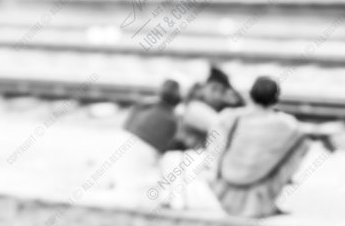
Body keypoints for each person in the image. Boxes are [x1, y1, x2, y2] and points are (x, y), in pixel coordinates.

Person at [206, 76, 310, 217]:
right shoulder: (285, 124)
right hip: (260, 191)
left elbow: (213, 148)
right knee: (299, 145)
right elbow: (303, 141)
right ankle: (269, 199)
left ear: (250, 95)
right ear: (275, 99)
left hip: (224, 189)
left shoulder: (229, 117)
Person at [123, 79, 182, 155]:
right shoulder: (173, 119)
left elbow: (126, 126)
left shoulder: (144, 105)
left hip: (129, 143)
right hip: (147, 152)